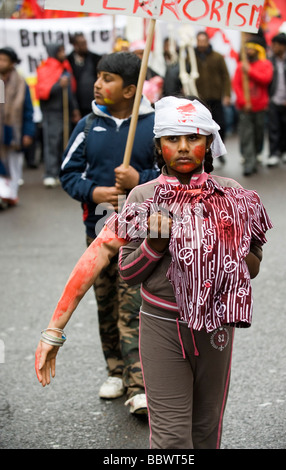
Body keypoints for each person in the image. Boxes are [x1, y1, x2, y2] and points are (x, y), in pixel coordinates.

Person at [35, 95, 272, 449]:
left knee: (207, 433)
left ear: (208, 143)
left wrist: (230, 247)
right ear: (158, 146)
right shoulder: (143, 197)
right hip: (162, 326)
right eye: (172, 139)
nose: (183, 147)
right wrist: (155, 245)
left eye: (193, 138)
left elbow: (252, 266)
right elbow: (122, 269)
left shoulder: (234, 194)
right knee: (171, 440)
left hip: (217, 329)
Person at [59, 51, 159, 414]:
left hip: (140, 235)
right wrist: (93, 192)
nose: (98, 84)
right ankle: (114, 370)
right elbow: (67, 174)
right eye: (98, 76)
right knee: (105, 304)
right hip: (98, 234)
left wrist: (140, 180)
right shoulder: (87, 125)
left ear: (130, 89)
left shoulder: (155, 125)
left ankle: (139, 384)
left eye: (108, 79)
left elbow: (176, 177)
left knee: (133, 307)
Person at [36, 43, 80, 188]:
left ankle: (62, 173)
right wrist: (57, 85)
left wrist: (74, 109)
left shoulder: (65, 68)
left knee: (64, 142)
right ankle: (50, 173)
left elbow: (71, 92)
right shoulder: (45, 68)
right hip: (52, 113)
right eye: (60, 51)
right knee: (52, 143)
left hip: (65, 112)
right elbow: (43, 92)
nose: (63, 54)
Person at [233, 36, 273, 176]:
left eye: (250, 48)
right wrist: (244, 102)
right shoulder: (240, 66)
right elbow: (237, 86)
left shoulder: (265, 64)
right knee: (246, 134)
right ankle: (249, 162)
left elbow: (266, 79)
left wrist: (249, 71)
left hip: (260, 106)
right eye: (246, 48)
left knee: (258, 133)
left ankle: (256, 155)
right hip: (245, 108)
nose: (248, 50)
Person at [0, 46, 35, 205]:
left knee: (14, 165)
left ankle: (12, 195)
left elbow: (28, 110)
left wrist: (28, 133)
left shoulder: (21, 83)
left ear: (12, 63)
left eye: (4, 60)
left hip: (15, 131)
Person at [194, 31, 231, 163]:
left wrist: (227, 94)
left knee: (221, 125)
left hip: (215, 98)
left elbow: (226, 76)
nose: (202, 44)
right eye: (199, 41)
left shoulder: (217, 57)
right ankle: (205, 153)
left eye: (204, 41)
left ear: (208, 41)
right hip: (199, 100)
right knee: (201, 128)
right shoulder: (191, 57)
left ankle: (219, 150)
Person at [267, 33, 286, 167]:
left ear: (284, 46)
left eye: (277, 45)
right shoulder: (269, 61)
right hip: (273, 100)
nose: (274, 47)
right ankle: (274, 153)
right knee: (273, 127)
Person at [67, 33, 102, 119]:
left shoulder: (95, 58)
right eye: (82, 44)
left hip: (93, 102)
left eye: (85, 43)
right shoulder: (68, 60)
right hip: (77, 104)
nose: (85, 46)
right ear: (75, 45)